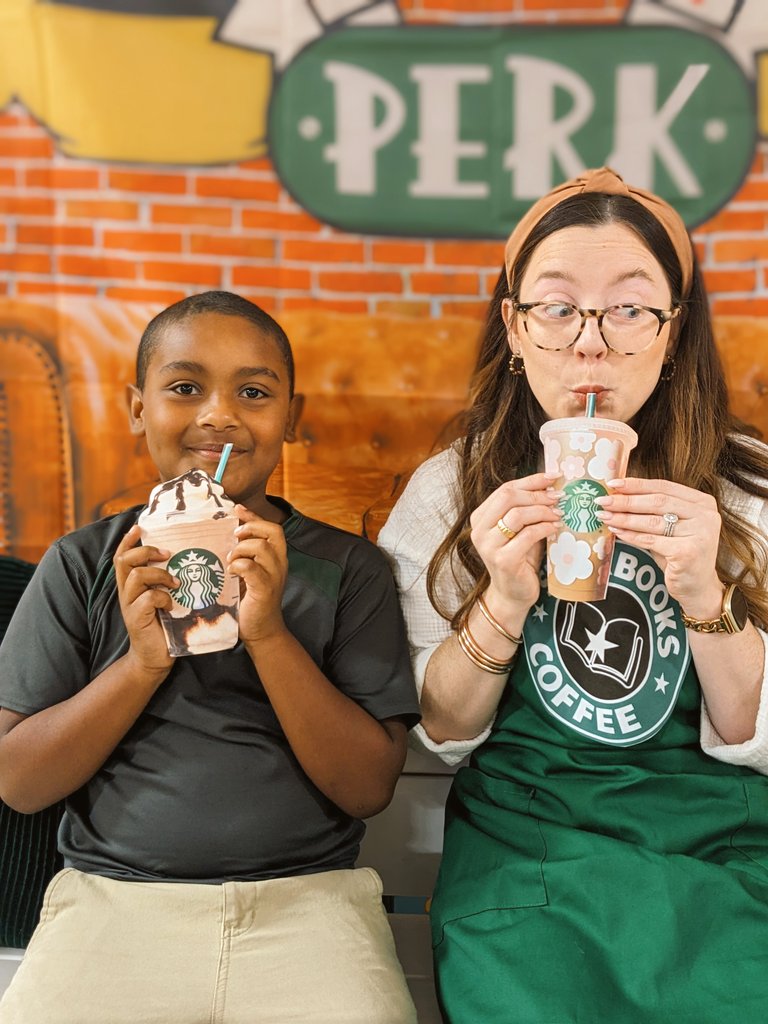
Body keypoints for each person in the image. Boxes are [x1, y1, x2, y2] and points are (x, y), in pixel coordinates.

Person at [378, 167, 768, 1023]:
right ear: (515, 330)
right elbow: (436, 731)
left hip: (724, 856)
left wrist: (708, 592)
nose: (591, 341)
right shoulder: (453, 491)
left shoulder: (747, 493)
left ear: (673, 336)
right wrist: (505, 597)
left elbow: (758, 736)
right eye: (557, 308)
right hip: (532, 858)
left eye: (630, 309)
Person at [0, 290, 420, 1024]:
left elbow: (367, 788)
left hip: (306, 903)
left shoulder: (347, 571)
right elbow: (19, 782)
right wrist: (141, 663)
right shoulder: (83, 565)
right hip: (112, 901)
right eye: (185, 387)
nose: (219, 414)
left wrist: (267, 635)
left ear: (291, 416)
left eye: (253, 392)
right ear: (138, 407)